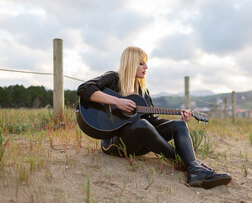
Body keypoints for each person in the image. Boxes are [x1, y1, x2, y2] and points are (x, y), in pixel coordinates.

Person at [77, 46, 232, 189]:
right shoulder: (113, 79)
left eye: (146, 64)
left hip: (139, 145)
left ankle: (194, 169)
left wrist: (178, 119)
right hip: (114, 145)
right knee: (142, 125)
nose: (146, 67)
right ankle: (193, 166)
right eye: (141, 63)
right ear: (131, 63)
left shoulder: (142, 90)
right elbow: (84, 89)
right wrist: (117, 101)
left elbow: (153, 121)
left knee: (178, 126)